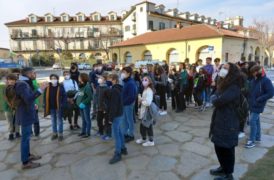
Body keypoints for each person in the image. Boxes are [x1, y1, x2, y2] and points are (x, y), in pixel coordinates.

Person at [209, 63, 242, 180]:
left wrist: (215, 98)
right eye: (222, 67)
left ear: (232, 71)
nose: (222, 70)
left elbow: (219, 100)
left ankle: (229, 174)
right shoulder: (223, 83)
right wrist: (215, 98)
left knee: (227, 148)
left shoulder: (234, 86)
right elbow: (214, 95)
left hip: (229, 122)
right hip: (220, 119)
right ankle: (222, 167)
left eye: (226, 68)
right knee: (219, 146)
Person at [15, 67, 48, 169]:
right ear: (29, 74)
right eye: (34, 73)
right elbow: (28, 99)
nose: (35, 74)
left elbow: (26, 99)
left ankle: (28, 156)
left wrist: (33, 104)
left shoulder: (24, 82)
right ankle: (25, 163)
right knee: (25, 139)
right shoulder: (22, 84)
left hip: (27, 113)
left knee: (27, 137)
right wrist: (40, 89)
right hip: (25, 116)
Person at [245, 65, 274, 148]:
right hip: (252, 103)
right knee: (256, 121)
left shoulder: (266, 80)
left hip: (259, 104)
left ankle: (252, 140)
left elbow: (271, 93)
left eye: (254, 72)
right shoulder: (254, 80)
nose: (253, 74)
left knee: (252, 121)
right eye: (252, 73)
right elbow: (250, 90)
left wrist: (259, 99)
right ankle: (258, 137)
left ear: (258, 71)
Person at [107, 73, 128, 164]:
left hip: (116, 115)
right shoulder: (118, 88)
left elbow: (113, 106)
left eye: (109, 79)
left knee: (116, 135)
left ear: (114, 80)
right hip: (119, 113)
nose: (108, 80)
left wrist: (110, 118)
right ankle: (123, 148)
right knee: (119, 132)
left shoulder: (114, 90)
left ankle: (118, 153)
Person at [44, 74, 67, 141]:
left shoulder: (60, 86)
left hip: (59, 106)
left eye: (55, 78)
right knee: (53, 120)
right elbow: (45, 96)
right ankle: (54, 133)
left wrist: (62, 104)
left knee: (59, 120)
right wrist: (45, 104)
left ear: (57, 79)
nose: (53, 79)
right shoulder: (48, 87)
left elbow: (64, 96)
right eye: (52, 78)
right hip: (51, 106)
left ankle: (60, 134)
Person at [136, 75, 156, 147]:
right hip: (144, 110)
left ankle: (151, 141)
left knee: (148, 125)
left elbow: (148, 102)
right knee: (142, 125)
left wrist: (141, 101)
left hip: (147, 111)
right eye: (143, 80)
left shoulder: (149, 90)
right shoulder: (145, 89)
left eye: (146, 80)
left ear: (149, 82)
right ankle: (143, 138)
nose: (144, 81)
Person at [121, 67, 137, 143]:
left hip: (128, 104)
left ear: (129, 73)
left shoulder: (130, 83)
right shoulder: (126, 81)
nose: (122, 74)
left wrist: (124, 102)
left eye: (124, 72)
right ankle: (125, 133)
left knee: (129, 120)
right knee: (124, 120)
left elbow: (131, 96)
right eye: (122, 72)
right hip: (124, 104)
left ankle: (131, 134)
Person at [3, 73, 20, 140]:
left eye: (13, 79)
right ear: (7, 80)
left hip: (16, 107)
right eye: (10, 79)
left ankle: (17, 132)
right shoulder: (5, 88)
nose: (12, 81)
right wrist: (10, 105)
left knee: (17, 120)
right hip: (8, 107)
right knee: (10, 121)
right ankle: (11, 133)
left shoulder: (17, 87)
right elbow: (5, 98)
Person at [96, 73, 111, 140]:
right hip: (99, 107)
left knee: (107, 122)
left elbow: (109, 99)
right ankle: (100, 131)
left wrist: (106, 107)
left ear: (105, 80)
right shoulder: (98, 87)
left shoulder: (107, 88)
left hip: (105, 108)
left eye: (101, 78)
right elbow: (97, 96)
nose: (100, 79)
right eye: (100, 78)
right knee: (99, 120)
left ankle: (108, 134)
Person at [76, 73, 92, 138]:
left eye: (79, 77)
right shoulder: (81, 85)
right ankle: (83, 131)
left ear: (83, 78)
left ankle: (88, 133)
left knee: (87, 119)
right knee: (83, 119)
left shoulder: (87, 86)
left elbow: (90, 97)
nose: (78, 78)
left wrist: (84, 103)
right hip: (80, 106)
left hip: (85, 106)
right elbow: (80, 95)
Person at [32, 72, 40, 139]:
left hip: (35, 103)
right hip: (29, 103)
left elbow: (36, 91)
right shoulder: (25, 82)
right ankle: (30, 132)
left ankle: (36, 132)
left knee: (35, 119)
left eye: (35, 74)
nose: (35, 75)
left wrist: (36, 103)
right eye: (33, 74)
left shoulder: (34, 81)